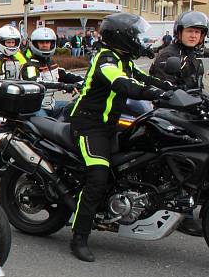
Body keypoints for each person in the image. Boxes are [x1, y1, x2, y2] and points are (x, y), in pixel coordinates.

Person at [68, 13, 174, 262]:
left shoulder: (123, 59)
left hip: (109, 125)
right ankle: (79, 237)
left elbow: (145, 78)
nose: (139, 39)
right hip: (88, 125)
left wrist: (174, 90)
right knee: (98, 176)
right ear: (122, 37)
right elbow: (122, 83)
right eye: (135, 35)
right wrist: (152, 92)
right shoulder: (105, 59)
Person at [23, 27, 83, 117]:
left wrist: (85, 80)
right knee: (47, 128)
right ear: (35, 44)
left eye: (47, 42)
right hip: (36, 108)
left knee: (76, 108)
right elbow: (37, 84)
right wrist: (63, 86)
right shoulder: (30, 65)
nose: (45, 45)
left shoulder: (51, 63)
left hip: (52, 105)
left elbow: (64, 75)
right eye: (41, 42)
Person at [150, 11, 208, 91]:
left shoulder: (192, 54)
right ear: (179, 32)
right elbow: (165, 89)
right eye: (189, 31)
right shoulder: (168, 55)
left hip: (194, 100)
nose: (193, 36)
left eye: (197, 32)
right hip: (176, 101)